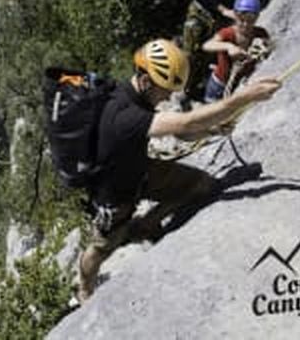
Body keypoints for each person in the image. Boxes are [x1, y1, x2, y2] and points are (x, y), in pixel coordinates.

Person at [76, 39, 280, 303]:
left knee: (200, 184)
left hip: (141, 170)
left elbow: (181, 130)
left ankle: (147, 224)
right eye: (165, 90)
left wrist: (211, 130)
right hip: (114, 194)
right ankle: (84, 287)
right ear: (147, 81)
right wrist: (242, 98)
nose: (169, 96)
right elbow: (186, 121)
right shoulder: (127, 116)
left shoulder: (134, 94)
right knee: (101, 248)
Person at [201, 0, 271, 103]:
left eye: (250, 20)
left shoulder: (260, 34)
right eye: (241, 19)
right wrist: (229, 46)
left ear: (257, 17)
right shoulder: (227, 33)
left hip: (241, 83)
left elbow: (269, 46)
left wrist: (264, 48)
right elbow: (207, 45)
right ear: (235, 16)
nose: (245, 24)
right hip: (219, 84)